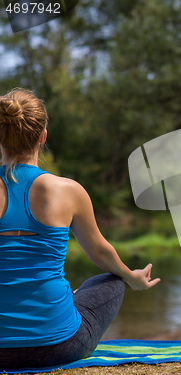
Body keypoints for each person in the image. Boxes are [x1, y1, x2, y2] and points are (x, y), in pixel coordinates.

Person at [0, 88, 161, 369]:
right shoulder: (69, 191)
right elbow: (99, 251)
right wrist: (132, 277)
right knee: (112, 281)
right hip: (59, 347)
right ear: (43, 136)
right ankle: (66, 301)